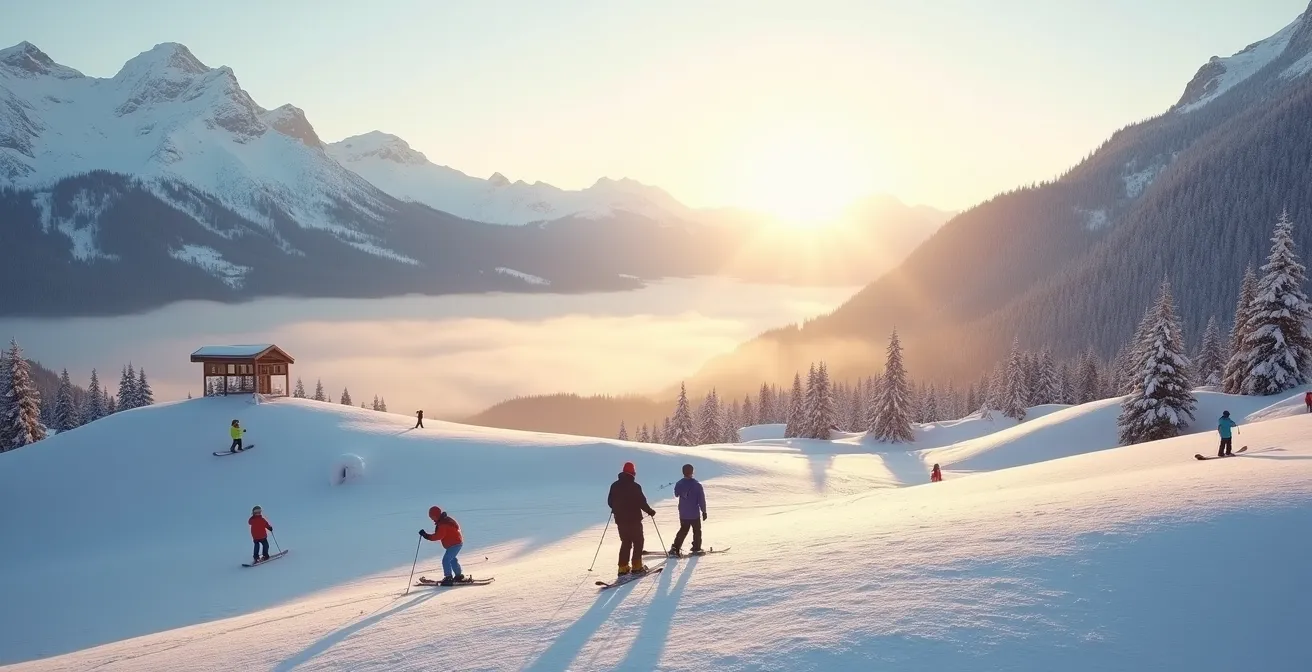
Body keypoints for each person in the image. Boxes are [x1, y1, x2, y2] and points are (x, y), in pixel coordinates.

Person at [608, 461, 656, 576]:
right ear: (633, 472)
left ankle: (622, 568)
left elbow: (610, 502)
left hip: (620, 520)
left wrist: (617, 509)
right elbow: (641, 502)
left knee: (625, 542)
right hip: (634, 519)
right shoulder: (635, 486)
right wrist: (650, 511)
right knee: (638, 541)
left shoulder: (614, 485)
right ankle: (636, 566)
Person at [420, 506, 466, 585]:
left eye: (432, 517)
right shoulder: (445, 520)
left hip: (454, 544)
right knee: (452, 559)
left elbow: (438, 536)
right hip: (456, 543)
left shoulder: (443, 524)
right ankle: (458, 576)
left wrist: (426, 535)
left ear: (436, 515)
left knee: (446, 560)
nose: (432, 519)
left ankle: (448, 578)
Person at [669, 463, 707, 556]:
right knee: (697, 530)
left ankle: (675, 547)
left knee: (683, 530)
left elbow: (676, 494)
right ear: (692, 472)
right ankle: (696, 548)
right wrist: (704, 511)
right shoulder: (697, 485)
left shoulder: (679, 483)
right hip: (694, 513)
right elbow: (701, 499)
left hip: (683, 513)